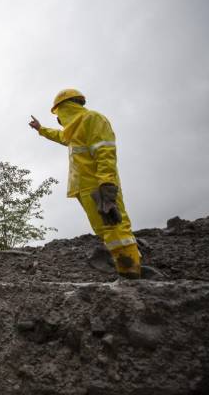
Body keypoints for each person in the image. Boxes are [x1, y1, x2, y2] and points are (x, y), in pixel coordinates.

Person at [28, 89, 142, 279]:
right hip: (84, 188)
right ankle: (128, 265)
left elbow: (105, 152)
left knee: (114, 227)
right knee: (104, 230)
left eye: (59, 112)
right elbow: (60, 136)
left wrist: (106, 184)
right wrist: (40, 129)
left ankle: (130, 271)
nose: (59, 118)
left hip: (100, 186)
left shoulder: (93, 119)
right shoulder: (73, 129)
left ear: (66, 107)